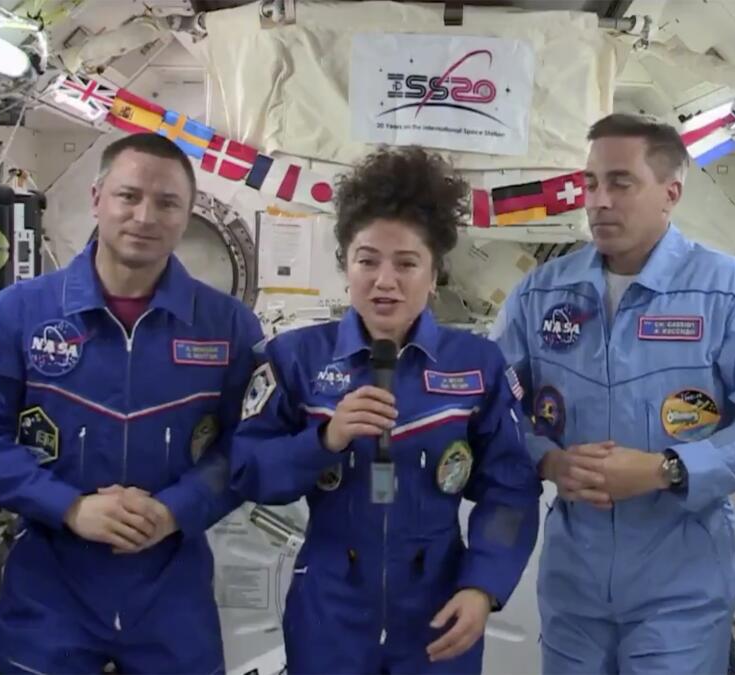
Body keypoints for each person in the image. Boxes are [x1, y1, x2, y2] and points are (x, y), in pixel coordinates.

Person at [491, 113, 735, 674]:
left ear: (671, 192)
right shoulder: (542, 293)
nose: (599, 201)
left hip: (680, 584)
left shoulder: (734, 293)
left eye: (620, 182)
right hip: (574, 582)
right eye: (591, 183)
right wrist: (547, 459)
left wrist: (666, 469)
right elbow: (494, 406)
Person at [0, 132, 262, 674]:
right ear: (97, 199)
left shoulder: (229, 327)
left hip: (171, 588)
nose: (145, 216)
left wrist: (175, 510)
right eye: (128, 196)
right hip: (50, 589)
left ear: (187, 217)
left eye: (167, 203)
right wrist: (69, 507)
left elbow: (250, 443)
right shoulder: (18, 316)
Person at [230, 146, 541, 675]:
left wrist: (483, 586)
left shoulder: (478, 366)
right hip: (329, 603)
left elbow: (510, 490)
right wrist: (324, 441)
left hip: (439, 605)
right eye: (367, 260)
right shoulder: (296, 358)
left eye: (406, 263)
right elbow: (247, 470)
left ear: (434, 271)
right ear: (344, 264)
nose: (385, 280)